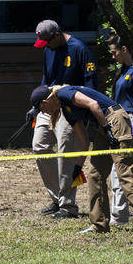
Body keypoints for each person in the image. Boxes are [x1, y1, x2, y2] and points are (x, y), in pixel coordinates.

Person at [30, 83, 133, 236]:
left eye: (41, 109)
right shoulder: (66, 111)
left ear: (45, 102)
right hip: (103, 125)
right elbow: (84, 141)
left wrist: (108, 130)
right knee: (94, 175)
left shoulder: (65, 93)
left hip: (114, 119)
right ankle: (99, 225)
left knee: (125, 171)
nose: (43, 113)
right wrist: (78, 167)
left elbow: (93, 104)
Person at [31, 20, 98, 219]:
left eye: (47, 41)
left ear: (57, 35)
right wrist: (36, 105)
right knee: (39, 146)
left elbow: (90, 83)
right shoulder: (48, 49)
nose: (46, 46)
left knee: (66, 155)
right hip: (49, 103)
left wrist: (86, 112)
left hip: (70, 105)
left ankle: (68, 207)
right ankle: (57, 198)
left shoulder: (79, 49)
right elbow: (46, 79)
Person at [106, 35, 133, 227]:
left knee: (120, 166)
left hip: (130, 119)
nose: (113, 57)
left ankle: (119, 215)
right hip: (121, 120)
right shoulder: (123, 71)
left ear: (124, 49)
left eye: (114, 53)